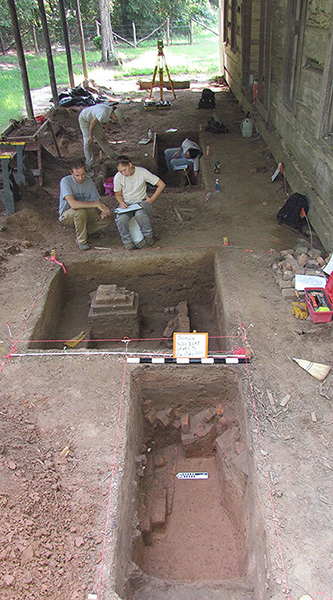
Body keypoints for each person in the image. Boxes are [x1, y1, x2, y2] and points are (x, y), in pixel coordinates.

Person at [113, 155, 166, 250]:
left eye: (124, 170)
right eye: (120, 171)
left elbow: (161, 184)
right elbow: (118, 194)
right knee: (121, 218)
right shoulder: (118, 177)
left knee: (140, 214)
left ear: (130, 164)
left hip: (141, 202)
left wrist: (151, 199)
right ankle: (127, 241)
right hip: (128, 204)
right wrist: (121, 202)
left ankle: (148, 237)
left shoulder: (142, 172)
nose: (123, 173)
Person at [59, 157, 112, 250]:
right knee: (80, 212)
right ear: (71, 173)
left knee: (108, 219)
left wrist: (102, 211)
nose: (81, 178)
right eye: (77, 175)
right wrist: (96, 205)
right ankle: (82, 241)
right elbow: (73, 204)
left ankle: (85, 231)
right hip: (68, 214)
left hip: (87, 211)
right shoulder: (65, 182)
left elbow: (96, 201)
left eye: (83, 174)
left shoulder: (89, 181)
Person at [78, 104, 124, 174]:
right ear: (115, 116)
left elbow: (110, 122)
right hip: (85, 119)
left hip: (94, 119)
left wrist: (104, 132)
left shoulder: (112, 115)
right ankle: (88, 164)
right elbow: (92, 124)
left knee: (101, 139)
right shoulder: (103, 113)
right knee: (88, 141)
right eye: (117, 120)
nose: (117, 121)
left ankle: (113, 155)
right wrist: (91, 136)